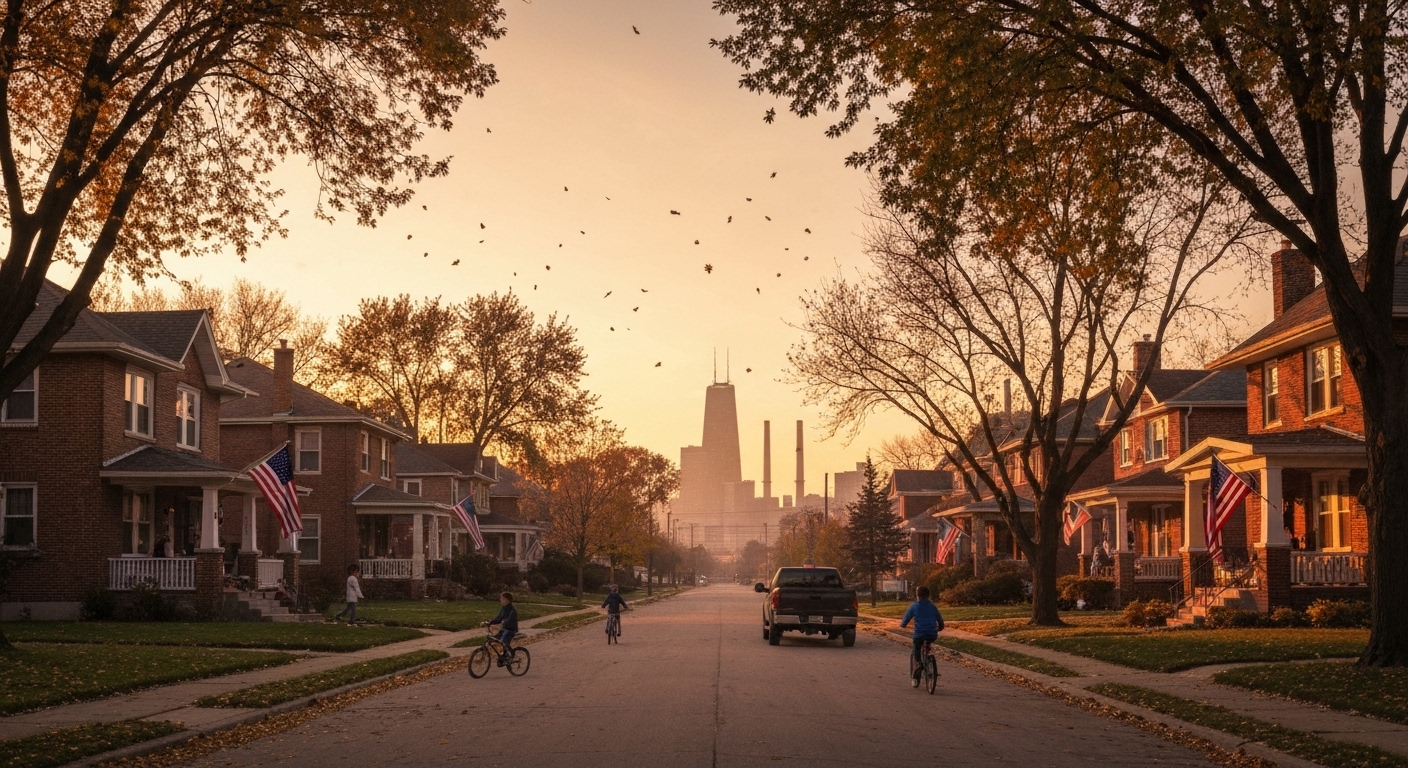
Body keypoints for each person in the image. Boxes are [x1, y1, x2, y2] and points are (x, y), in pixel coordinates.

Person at [899, 585, 945, 686]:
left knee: (916, 649)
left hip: (919, 635)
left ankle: (916, 671)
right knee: (927, 642)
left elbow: (906, 619)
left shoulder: (915, 606)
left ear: (917, 595)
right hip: (932, 634)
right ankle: (927, 655)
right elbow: (940, 620)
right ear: (928, 595)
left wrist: (903, 625)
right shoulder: (932, 606)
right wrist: (940, 627)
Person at [484, 592, 519, 664]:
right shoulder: (503, 609)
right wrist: (490, 622)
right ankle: (502, 655)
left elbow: (510, 619)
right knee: (495, 639)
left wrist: (504, 622)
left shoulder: (512, 610)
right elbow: (499, 618)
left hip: (511, 629)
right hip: (504, 628)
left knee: (503, 641)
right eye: (500, 599)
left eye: (503, 599)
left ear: (508, 600)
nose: (501, 600)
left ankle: (509, 656)